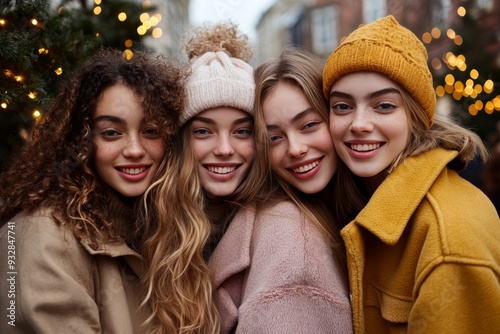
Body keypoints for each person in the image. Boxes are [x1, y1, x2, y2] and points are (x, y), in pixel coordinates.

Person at [323, 15, 500, 333]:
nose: (359, 124)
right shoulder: (362, 197)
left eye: (384, 106)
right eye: (342, 106)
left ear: (416, 117)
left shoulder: (450, 242)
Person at [0, 48, 185, 333]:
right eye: (111, 132)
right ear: (80, 141)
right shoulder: (45, 235)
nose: (135, 150)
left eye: (150, 131)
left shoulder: (157, 224)